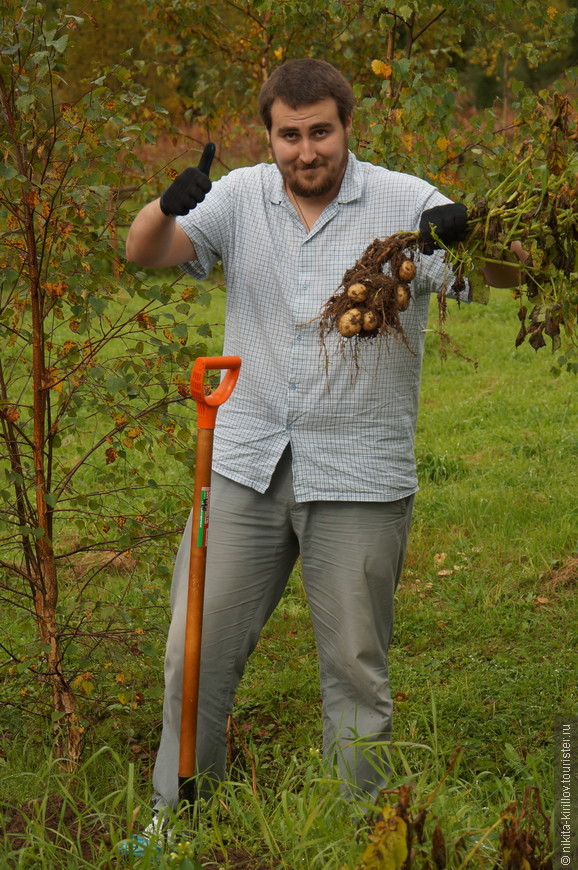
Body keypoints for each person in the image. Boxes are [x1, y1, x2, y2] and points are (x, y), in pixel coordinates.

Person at [125, 58, 522, 826]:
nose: (306, 150)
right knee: (193, 655)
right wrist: (163, 206)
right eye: (289, 135)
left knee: (354, 670)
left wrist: (472, 237)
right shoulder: (239, 196)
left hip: (360, 475)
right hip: (245, 466)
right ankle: (176, 817)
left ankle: (357, 827)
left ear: (346, 126)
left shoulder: (408, 201)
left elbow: (504, 277)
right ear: (269, 135)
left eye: (321, 132)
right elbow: (145, 252)